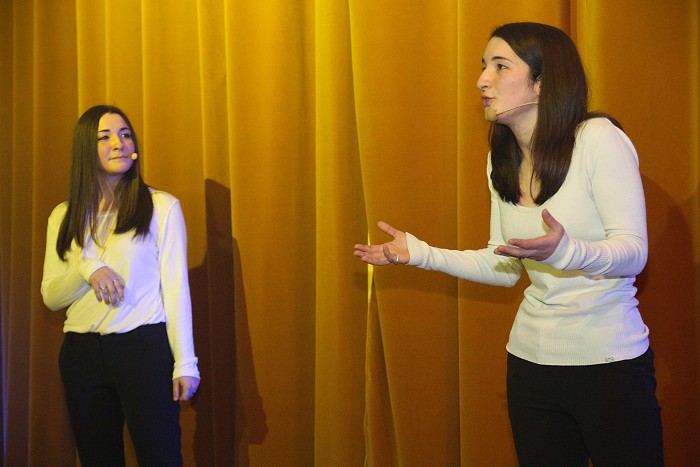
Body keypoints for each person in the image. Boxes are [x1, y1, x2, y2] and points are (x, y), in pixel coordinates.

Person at [354, 22, 663, 466]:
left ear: (543, 82)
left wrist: (565, 251)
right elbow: (503, 266)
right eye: (484, 66)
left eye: (500, 67)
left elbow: (633, 252)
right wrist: (420, 254)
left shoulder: (597, 139)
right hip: (530, 365)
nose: (482, 80)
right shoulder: (500, 159)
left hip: (609, 363)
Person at [41, 104, 200, 466]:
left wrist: (185, 363)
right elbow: (51, 296)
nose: (119, 143)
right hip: (81, 353)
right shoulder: (63, 216)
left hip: (142, 349)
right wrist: (87, 269)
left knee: (160, 457)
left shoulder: (161, 207)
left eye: (125, 135)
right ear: (86, 148)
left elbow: (176, 289)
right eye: (105, 137)